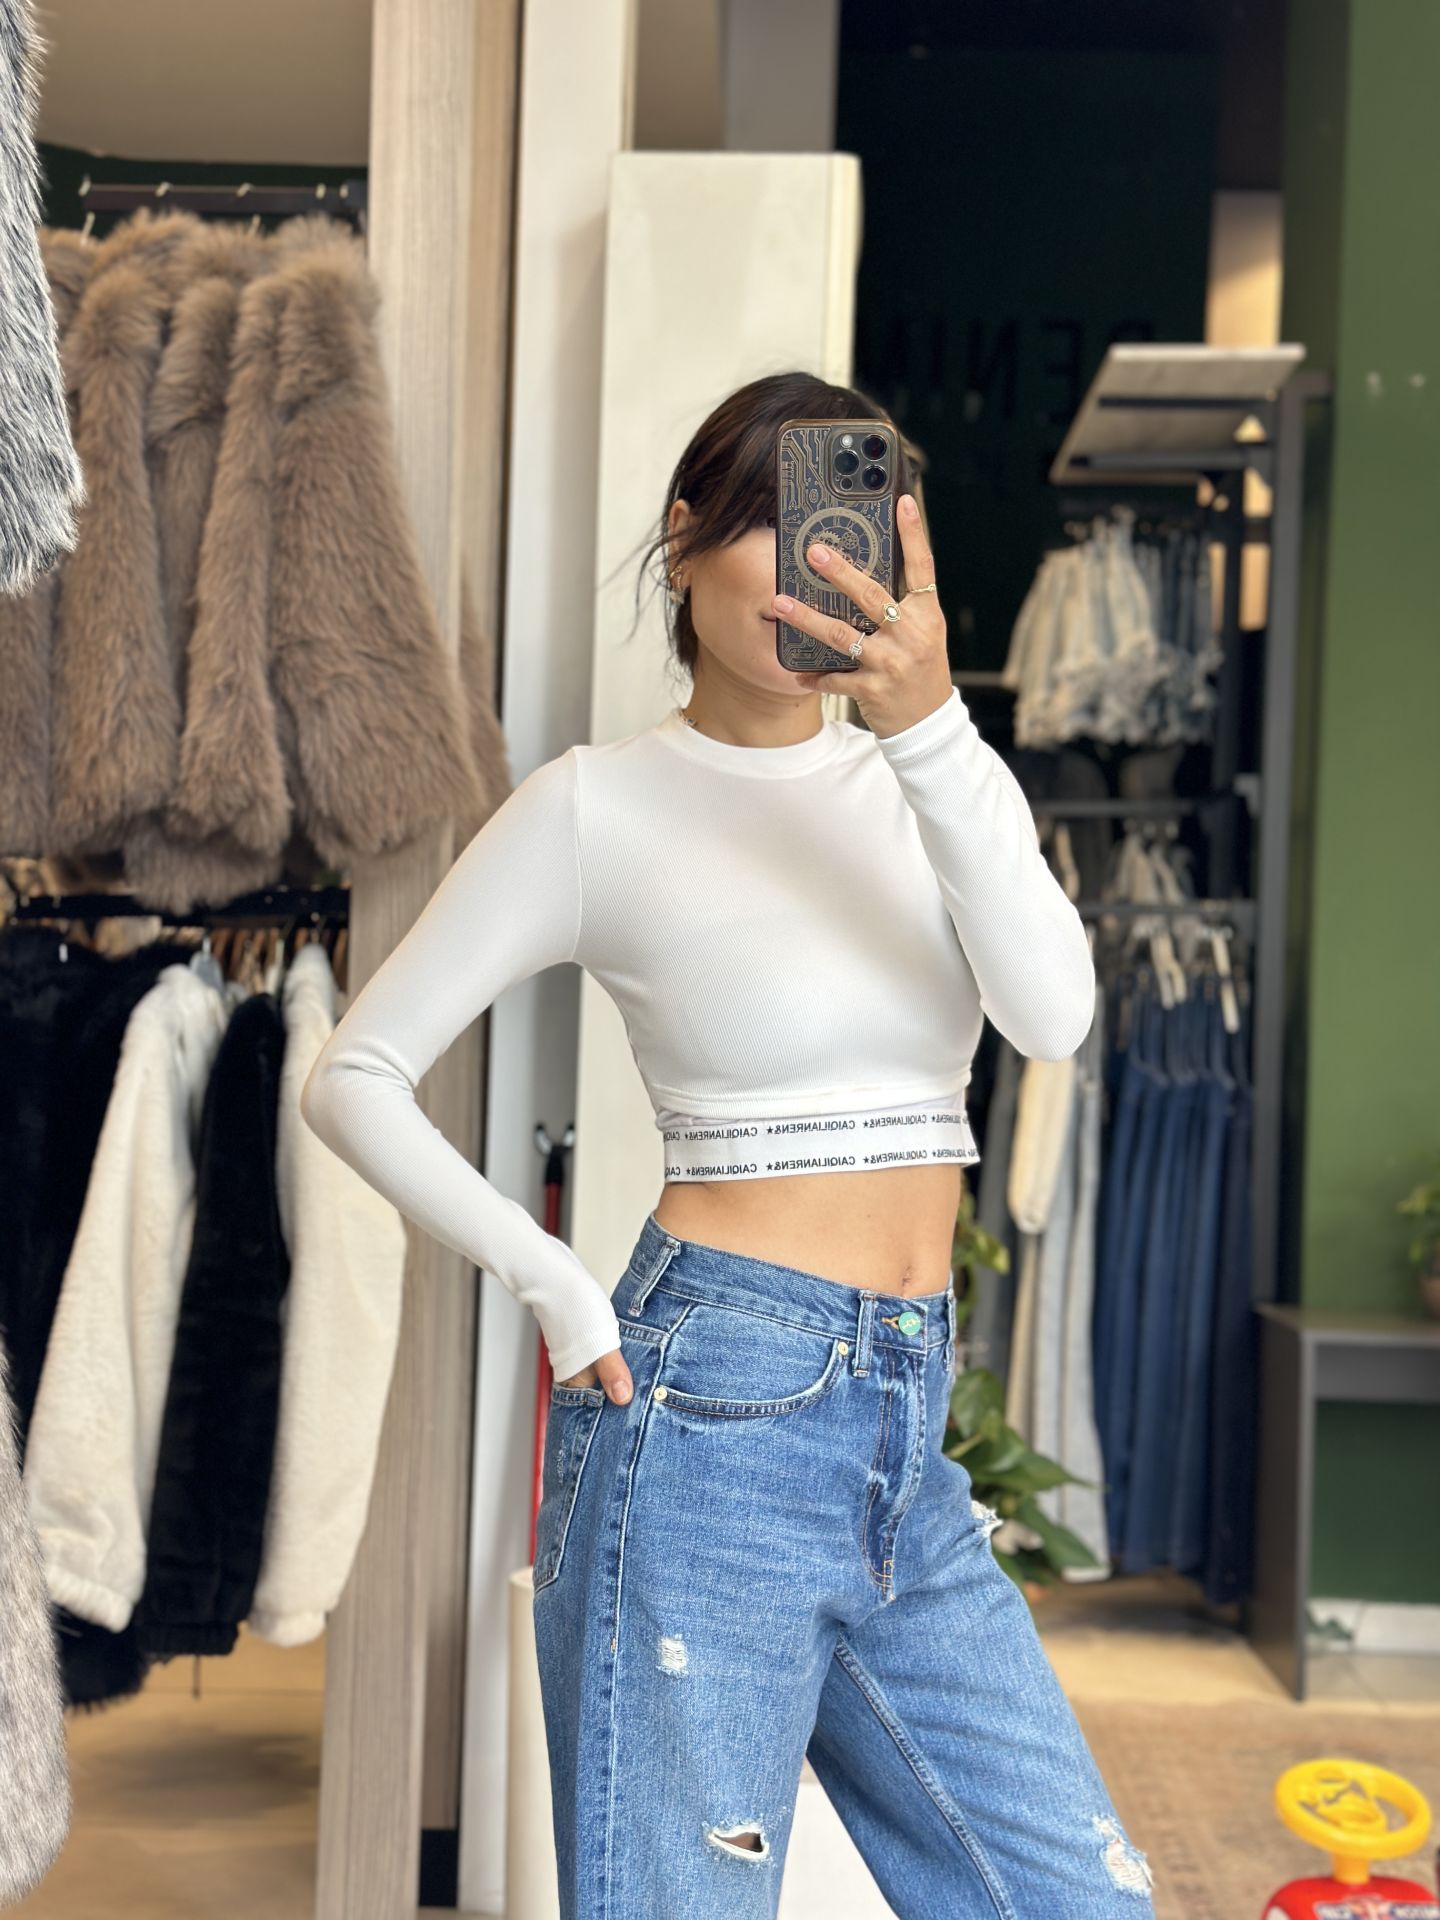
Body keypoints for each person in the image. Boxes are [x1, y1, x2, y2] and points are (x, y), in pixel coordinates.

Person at [300, 370, 1156, 1917]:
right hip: (709, 1416)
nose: (809, 566)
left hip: (905, 1421)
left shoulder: (928, 782)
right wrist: (553, 1281)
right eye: (769, 523)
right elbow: (353, 1075)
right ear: (685, 538)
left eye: (845, 530)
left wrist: (932, 725)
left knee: (1077, 1899)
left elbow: (1052, 1014)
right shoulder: (594, 811)